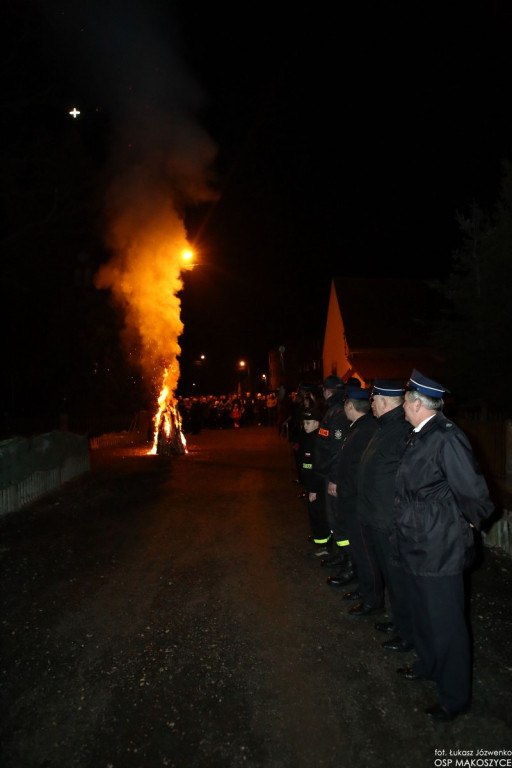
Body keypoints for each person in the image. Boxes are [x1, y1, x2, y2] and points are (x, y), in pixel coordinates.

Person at [393, 370, 494, 722]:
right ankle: (429, 664)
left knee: (446, 622)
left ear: (418, 404)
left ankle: (454, 697)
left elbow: (475, 494)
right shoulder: (421, 434)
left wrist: (468, 523)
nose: (402, 406)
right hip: (417, 540)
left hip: (439, 546)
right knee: (424, 613)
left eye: (406, 401)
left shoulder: (446, 437)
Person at [346, 380, 412, 643]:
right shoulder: (385, 427)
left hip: (388, 520)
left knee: (399, 581)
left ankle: (407, 633)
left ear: (384, 402)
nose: (370, 404)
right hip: (375, 515)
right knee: (388, 575)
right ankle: (398, 623)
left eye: (374, 400)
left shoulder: (401, 430)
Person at [326, 386, 377, 587]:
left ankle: (361, 583)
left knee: (360, 546)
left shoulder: (363, 430)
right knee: (353, 541)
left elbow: (355, 466)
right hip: (351, 496)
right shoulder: (358, 426)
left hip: (356, 498)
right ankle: (359, 579)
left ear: (349, 405)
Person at [314, 375, 351, 565]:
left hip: (333, 476)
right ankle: (340, 553)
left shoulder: (338, 415)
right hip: (328, 473)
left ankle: (346, 559)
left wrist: (334, 480)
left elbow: (337, 451)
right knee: (333, 518)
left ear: (328, 392)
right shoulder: (333, 412)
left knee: (337, 519)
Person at [298, 405, 331, 557]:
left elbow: (319, 468)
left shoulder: (318, 441)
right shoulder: (308, 437)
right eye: (304, 423)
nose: (305, 426)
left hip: (316, 486)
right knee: (314, 515)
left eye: (309, 423)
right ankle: (319, 539)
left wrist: (313, 489)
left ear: (317, 424)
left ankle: (323, 545)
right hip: (311, 483)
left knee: (319, 516)